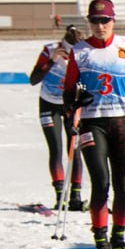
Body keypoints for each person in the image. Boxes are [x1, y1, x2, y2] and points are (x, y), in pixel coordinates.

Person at [63, 0, 125, 249]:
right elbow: (68, 90)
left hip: (123, 121)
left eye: (105, 20)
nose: (100, 26)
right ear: (89, 22)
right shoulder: (79, 51)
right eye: (95, 20)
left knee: (122, 185)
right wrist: (71, 112)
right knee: (100, 182)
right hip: (93, 122)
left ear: (113, 21)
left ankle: (118, 237)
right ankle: (100, 238)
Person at [29, 25, 86, 210]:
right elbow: (33, 79)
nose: (69, 55)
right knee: (56, 149)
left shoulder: (85, 52)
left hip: (71, 105)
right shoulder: (50, 49)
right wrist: (52, 60)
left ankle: (76, 196)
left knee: (74, 149)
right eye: (67, 50)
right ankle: (60, 195)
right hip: (49, 103)